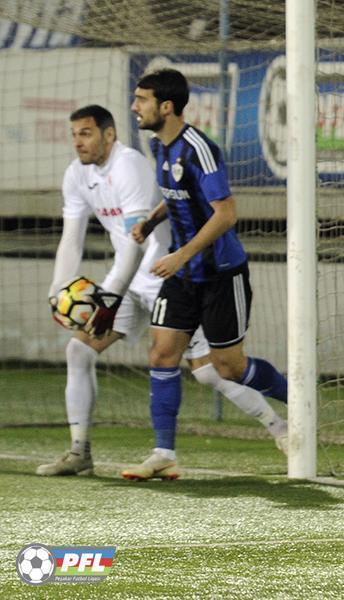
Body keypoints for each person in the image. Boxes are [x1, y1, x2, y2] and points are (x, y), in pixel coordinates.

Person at [37, 105, 288, 478]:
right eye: (74, 134)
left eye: (86, 133)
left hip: (164, 276)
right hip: (128, 280)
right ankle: (80, 452)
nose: (78, 142)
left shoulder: (129, 165)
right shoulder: (76, 174)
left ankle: (281, 428)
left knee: (209, 371)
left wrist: (109, 297)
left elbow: (136, 242)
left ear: (109, 134)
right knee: (79, 350)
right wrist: (57, 290)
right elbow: (71, 239)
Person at [126, 69, 290, 480]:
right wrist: (151, 220)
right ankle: (163, 452)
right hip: (182, 275)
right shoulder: (158, 145)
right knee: (162, 353)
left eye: (142, 99)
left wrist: (181, 254)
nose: (134, 107)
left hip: (220, 273)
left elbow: (226, 213)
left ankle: (302, 406)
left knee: (228, 367)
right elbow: (177, 195)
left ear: (166, 106)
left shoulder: (199, 148)